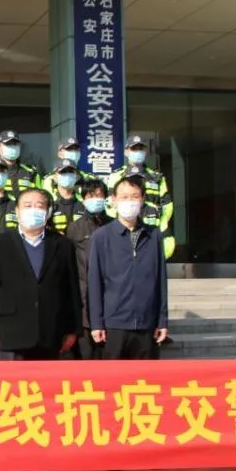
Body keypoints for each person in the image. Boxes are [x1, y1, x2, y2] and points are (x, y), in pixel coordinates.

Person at [0, 188, 81, 360]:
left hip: (51, 332)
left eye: (39, 206)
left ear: (48, 212)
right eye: (27, 206)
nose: (33, 210)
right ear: (17, 211)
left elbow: (72, 290)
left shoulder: (63, 244)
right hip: (11, 332)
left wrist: (73, 329)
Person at [88, 176, 169, 360]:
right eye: (124, 197)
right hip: (114, 324)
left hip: (147, 323)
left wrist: (162, 320)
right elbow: (95, 283)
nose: (129, 201)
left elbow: (160, 281)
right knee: (114, 376)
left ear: (142, 200)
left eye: (134, 196)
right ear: (114, 200)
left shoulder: (154, 235)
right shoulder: (101, 236)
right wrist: (97, 323)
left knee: (146, 376)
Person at [66, 179, 112, 360]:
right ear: (83, 199)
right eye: (91, 196)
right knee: (86, 355)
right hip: (84, 298)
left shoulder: (114, 226)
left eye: (99, 196)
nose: (95, 200)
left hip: (110, 297)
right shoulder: (75, 228)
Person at [107, 135, 173, 258]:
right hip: (125, 231)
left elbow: (167, 206)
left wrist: (161, 225)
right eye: (134, 149)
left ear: (146, 151)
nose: (138, 152)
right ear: (126, 152)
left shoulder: (156, 177)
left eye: (140, 148)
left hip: (151, 230)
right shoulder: (116, 176)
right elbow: (110, 205)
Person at [0, 130, 41, 201]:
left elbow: (40, 195)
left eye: (15, 144)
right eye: (8, 144)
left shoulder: (31, 171)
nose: (12, 146)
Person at [49, 159, 86, 234]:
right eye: (63, 172)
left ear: (77, 176)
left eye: (71, 172)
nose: (67, 175)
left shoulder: (84, 200)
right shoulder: (49, 201)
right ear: (55, 177)